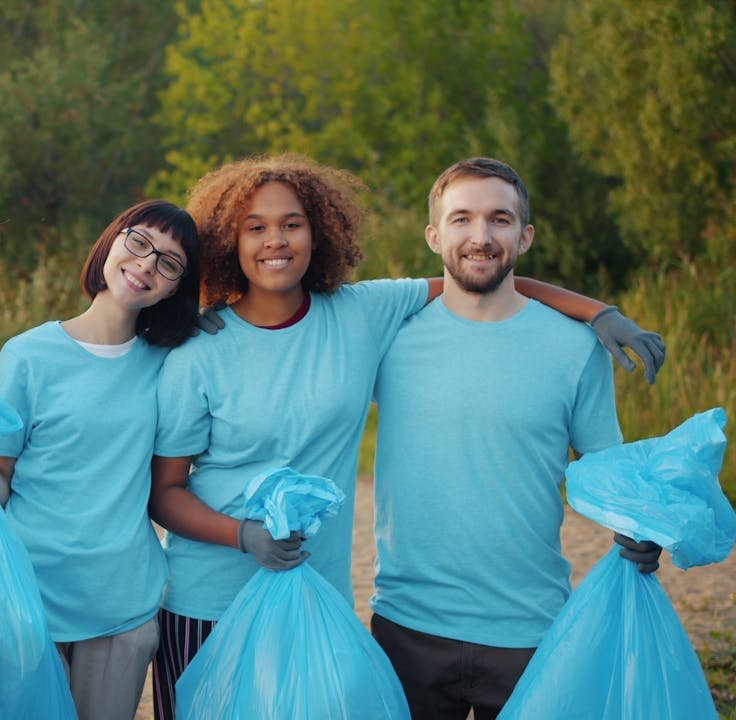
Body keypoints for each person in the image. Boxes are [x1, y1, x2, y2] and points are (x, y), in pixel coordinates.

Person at [147, 154, 663, 720]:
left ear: (319, 234)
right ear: (229, 240)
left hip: (320, 599)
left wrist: (598, 313)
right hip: (212, 603)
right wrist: (245, 534)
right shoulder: (200, 351)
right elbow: (165, 490)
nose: (276, 240)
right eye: (255, 227)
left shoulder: (361, 313)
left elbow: (477, 276)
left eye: (292, 223)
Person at [368, 157, 662, 720]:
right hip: (408, 625)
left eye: (499, 219)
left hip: (533, 628)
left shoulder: (577, 349)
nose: (480, 237)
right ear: (434, 235)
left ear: (524, 236)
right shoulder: (387, 339)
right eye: (461, 219)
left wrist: (641, 525)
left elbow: (603, 466)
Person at [0, 200, 200, 720]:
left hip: (122, 601)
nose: (146, 265)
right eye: (139, 242)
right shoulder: (28, 354)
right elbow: (1, 472)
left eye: (169, 263)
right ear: (112, 241)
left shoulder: (171, 363)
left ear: (175, 288)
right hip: (30, 596)